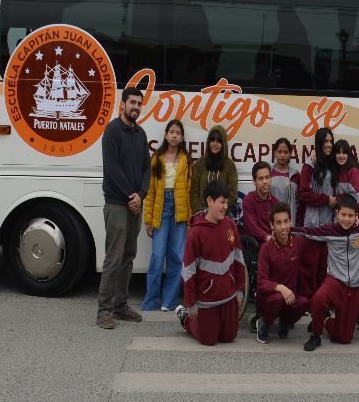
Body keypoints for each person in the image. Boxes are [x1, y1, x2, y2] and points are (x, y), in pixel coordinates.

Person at [96, 87, 151, 329]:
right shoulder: (112, 131)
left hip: (134, 205)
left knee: (128, 257)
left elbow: (147, 170)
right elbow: (112, 169)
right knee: (114, 258)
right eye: (132, 103)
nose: (136, 107)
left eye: (139, 103)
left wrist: (141, 195)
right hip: (118, 205)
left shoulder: (140, 134)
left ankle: (120, 305)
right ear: (123, 104)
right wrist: (132, 196)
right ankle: (104, 310)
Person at [293, 195, 359, 351]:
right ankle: (316, 335)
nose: (346, 219)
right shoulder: (329, 230)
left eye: (350, 215)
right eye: (343, 215)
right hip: (334, 281)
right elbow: (306, 231)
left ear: (356, 216)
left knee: (344, 338)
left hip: (354, 286)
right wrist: (286, 230)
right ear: (337, 214)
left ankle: (325, 322)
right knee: (319, 298)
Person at [175, 181, 246, 346]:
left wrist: (239, 291)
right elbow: (188, 273)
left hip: (228, 297)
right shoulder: (196, 233)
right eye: (222, 202)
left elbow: (239, 260)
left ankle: (215, 323)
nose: (225, 207)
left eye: (227, 203)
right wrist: (191, 306)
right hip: (207, 300)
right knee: (208, 340)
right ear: (209, 201)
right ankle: (185, 318)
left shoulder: (230, 225)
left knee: (229, 337)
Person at [142, 119, 192, 312]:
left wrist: (189, 219)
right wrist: (148, 219)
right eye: (171, 132)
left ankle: (168, 302)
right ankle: (151, 301)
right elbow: (151, 191)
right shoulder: (156, 158)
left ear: (182, 137)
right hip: (161, 210)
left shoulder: (186, 159)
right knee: (157, 256)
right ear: (165, 135)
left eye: (178, 133)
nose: (174, 135)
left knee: (176, 257)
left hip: (179, 212)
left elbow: (188, 191)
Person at [255, 202, 311, 343]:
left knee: (303, 302)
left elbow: (319, 235)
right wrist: (280, 288)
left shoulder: (298, 242)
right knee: (278, 298)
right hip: (269, 299)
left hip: (289, 297)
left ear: (290, 222)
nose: (283, 227)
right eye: (278, 223)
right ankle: (263, 323)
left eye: (286, 221)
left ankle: (284, 323)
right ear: (272, 225)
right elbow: (261, 283)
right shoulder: (266, 248)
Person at [298, 127, 338, 300]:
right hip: (313, 222)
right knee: (309, 264)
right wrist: (326, 199)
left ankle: (321, 300)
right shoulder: (309, 164)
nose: (328, 145)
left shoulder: (334, 162)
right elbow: (304, 193)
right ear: (318, 143)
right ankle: (308, 299)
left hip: (329, 222)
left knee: (324, 264)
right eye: (325, 141)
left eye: (331, 141)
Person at [190, 125, 238, 213]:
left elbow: (232, 194)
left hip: (221, 213)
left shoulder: (229, 165)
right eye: (212, 140)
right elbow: (194, 191)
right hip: (202, 211)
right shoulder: (200, 162)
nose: (215, 144)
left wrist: (222, 211)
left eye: (219, 141)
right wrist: (199, 212)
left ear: (223, 144)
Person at [242, 161, 279, 243]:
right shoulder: (248, 201)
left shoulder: (276, 202)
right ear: (254, 181)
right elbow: (252, 227)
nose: (265, 182)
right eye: (260, 178)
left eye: (267, 177)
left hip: (272, 243)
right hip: (254, 245)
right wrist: (267, 237)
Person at [333, 139, 359, 219]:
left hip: (357, 217)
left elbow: (357, 199)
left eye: (344, 153)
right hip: (343, 217)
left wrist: (336, 199)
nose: (341, 156)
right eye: (338, 153)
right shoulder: (337, 170)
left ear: (348, 154)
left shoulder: (354, 172)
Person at [270, 137, 301, 225]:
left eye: (285, 152)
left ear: (290, 154)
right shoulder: (268, 172)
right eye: (279, 152)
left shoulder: (295, 175)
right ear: (275, 153)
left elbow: (299, 203)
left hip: (290, 223)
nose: (282, 155)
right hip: (272, 222)